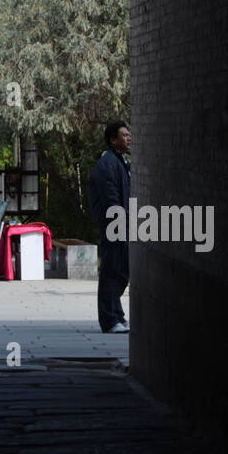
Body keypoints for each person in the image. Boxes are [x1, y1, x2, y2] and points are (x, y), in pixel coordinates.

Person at [88, 121, 132, 334]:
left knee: (121, 271)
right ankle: (109, 319)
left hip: (121, 224)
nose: (128, 138)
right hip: (114, 225)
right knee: (111, 271)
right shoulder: (108, 164)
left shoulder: (120, 161)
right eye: (124, 135)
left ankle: (118, 316)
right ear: (113, 139)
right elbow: (111, 199)